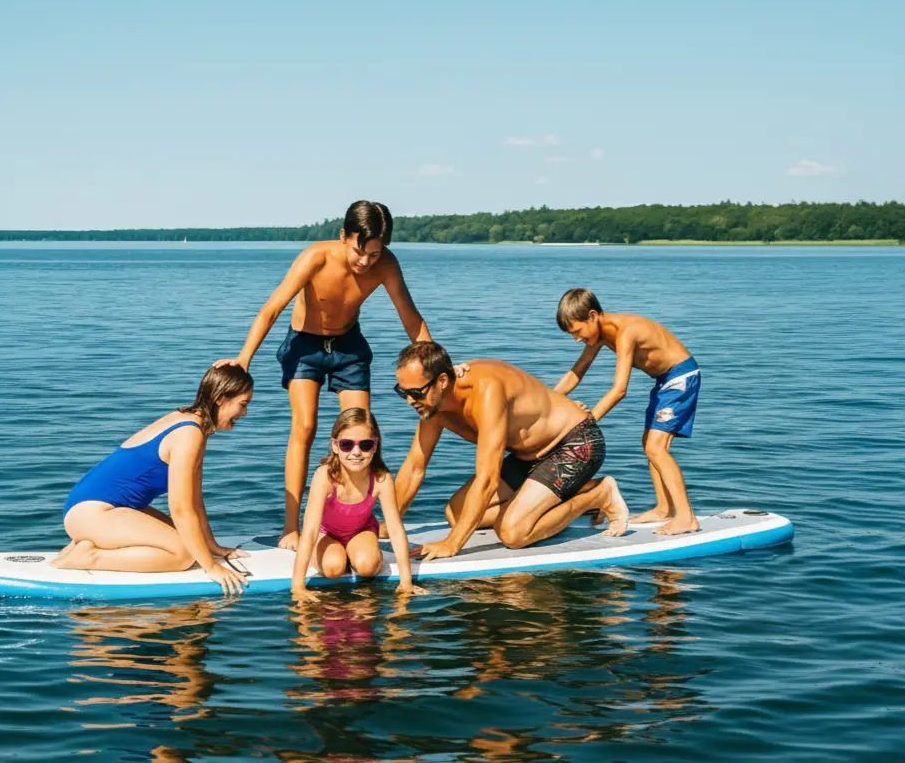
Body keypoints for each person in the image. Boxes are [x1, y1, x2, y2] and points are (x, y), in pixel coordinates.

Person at [216, 201, 431, 550]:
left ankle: (361, 522)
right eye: (360, 251)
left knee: (363, 431)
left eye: (375, 255)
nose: (366, 262)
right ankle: (291, 527)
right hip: (305, 346)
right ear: (343, 235)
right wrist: (244, 359)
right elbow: (271, 309)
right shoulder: (315, 258)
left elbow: (410, 317)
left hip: (348, 347)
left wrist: (438, 367)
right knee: (305, 427)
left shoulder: (386, 265)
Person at [392, 342, 629, 560]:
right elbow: (415, 466)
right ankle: (541, 507)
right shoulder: (432, 406)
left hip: (574, 444)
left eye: (415, 393)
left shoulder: (486, 390)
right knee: (456, 513)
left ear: (442, 381)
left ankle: (599, 494)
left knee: (512, 533)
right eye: (402, 392)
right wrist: (390, 522)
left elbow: (487, 479)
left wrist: (453, 544)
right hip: (528, 457)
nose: (409, 401)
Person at [53, 365, 254, 595]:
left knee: (191, 541)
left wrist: (212, 547)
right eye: (243, 404)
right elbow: (180, 509)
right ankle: (89, 556)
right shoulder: (189, 433)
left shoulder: (193, 424)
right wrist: (212, 567)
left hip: (102, 508)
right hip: (92, 512)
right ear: (220, 399)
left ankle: (89, 544)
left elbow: (195, 501)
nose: (244, 414)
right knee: (184, 555)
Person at [553, 287, 701, 535]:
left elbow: (620, 389)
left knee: (656, 447)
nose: (575, 339)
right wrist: (551, 399)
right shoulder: (598, 335)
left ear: (592, 316)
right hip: (664, 381)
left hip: (680, 376)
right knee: (650, 445)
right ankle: (664, 509)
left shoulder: (625, 332)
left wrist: (587, 421)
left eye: (577, 331)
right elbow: (578, 370)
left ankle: (686, 517)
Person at [291, 408, 423, 600]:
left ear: (375, 445)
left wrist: (406, 582)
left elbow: (395, 529)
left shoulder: (381, 479)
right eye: (347, 444)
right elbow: (310, 530)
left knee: (367, 567)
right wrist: (298, 586)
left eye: (365, 445)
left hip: (361, 532)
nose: (356, 452)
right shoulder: (325, 476)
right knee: (333, 568)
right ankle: (341, 555)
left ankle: (357, 554)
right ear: (335, 446)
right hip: (326, 533)